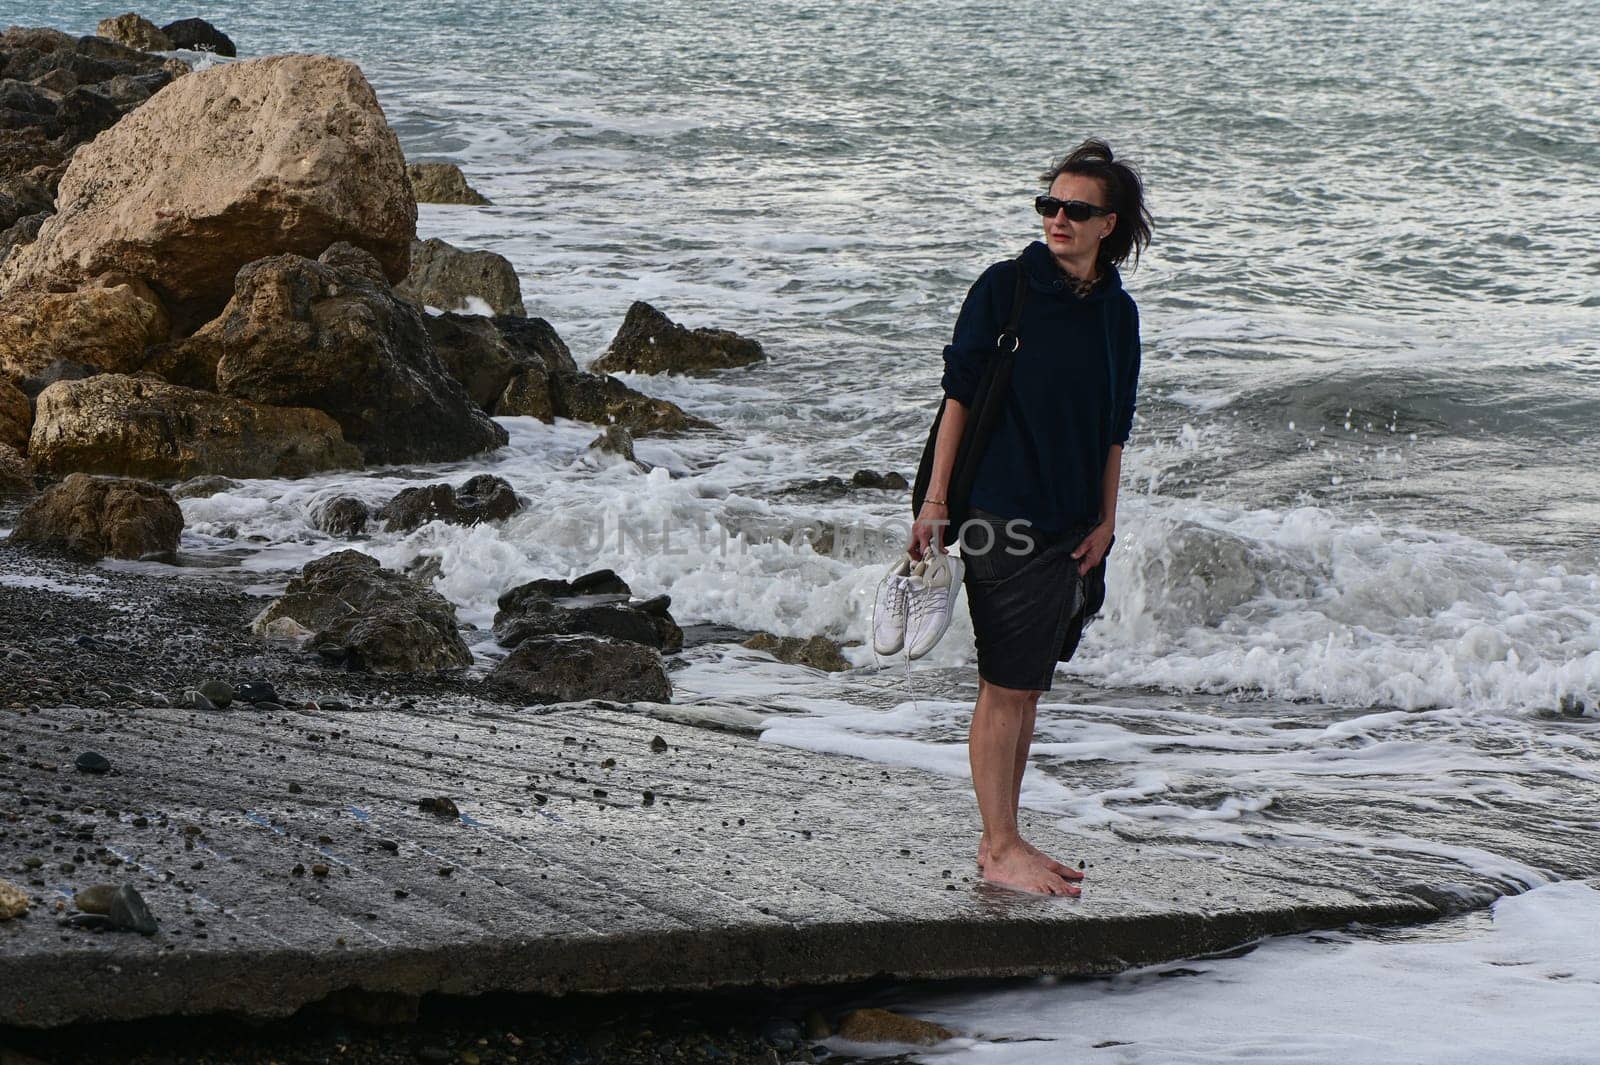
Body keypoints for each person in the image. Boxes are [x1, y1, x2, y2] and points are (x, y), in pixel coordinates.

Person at [909, 139, 1151, 896]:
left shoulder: (1117, 314)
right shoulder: (1005, 288)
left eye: (1076, 209)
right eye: (1049, 204)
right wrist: (937, 502)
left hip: (1073, 523)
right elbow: (960, 398)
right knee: (1004, 682)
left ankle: (1005, 835)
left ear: (1108, 224)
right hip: (998, 509)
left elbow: (1116, 427)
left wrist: (1107, 521)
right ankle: (999, 843)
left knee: (1029, 684)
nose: (1058, 219)